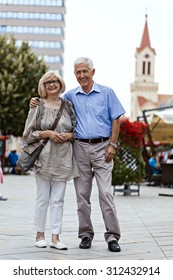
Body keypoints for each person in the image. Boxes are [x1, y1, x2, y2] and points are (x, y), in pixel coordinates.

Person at [30, 57, 126, 252]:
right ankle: (85, 235)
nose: (82, 75)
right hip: (80, 148)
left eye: (85, 71)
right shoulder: (71, 96)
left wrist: (113, 145)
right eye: (78, 72)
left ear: (93, 72)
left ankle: (112, 236)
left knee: (106, 193)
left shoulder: (107, 93)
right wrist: (35, 100)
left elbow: (116, 119)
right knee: (82, 196)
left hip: (103, 147)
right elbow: (52, 101)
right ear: (74, 75)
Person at [23, 70, 78, 249]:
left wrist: (68, 135)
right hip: (44, 158)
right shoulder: (37, 105)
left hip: (63, 158)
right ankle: (40, 235)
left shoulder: (68, 105)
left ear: (60, 84)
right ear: (43, 86)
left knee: (58, 199)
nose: (52, 84)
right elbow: (27, 134)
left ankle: (56, 237)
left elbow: (76, 130)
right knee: (42, 198)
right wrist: (47, 133)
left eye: (55, 81)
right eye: (48, 82)